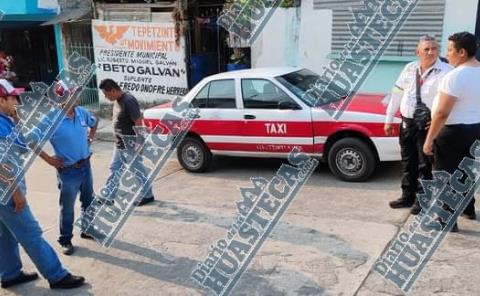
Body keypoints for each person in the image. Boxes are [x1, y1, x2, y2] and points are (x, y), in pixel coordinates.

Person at [0, 79, 85, 289]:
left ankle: (10, 274)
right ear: (1, 100)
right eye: (13, 98)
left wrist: (17, 119)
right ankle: (57, 276)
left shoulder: (6, 119)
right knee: (31, 233)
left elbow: (21, 147)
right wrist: (15, 192)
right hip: (6, 191)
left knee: (5, 234)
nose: (17, 102)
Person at [385, 35, 452, 214]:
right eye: (426, 49)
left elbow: (452, 100)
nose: (431, 52)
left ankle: (422, 200)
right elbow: (397, 93)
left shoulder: (446, 71)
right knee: (408, 161)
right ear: (418, 52)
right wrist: (389, 118)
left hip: (428, 126)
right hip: (407, 122)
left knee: (425, 164)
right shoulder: (409, 68)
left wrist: (441, 121)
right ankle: (407, 196)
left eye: (434, 48)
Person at [424, 31, 480, 231]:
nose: (447, 55)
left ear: (462, 52)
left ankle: (446, 220)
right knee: (466, 173)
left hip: (453, 133)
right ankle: (468, 209)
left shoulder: (455, 76)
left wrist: (429, 139)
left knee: (445, 177)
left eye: (449, 50)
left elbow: (441, 112)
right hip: (475, 130)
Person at [38, 81, 98, 255]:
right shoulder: (51, 119)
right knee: (68, 208)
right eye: (72, 94)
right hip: (68, 172)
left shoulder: (81, 112)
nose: (77, 97)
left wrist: (90, 140)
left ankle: (87, 229)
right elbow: (31, 140)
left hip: (86, 166)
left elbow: (94, 122)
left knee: (88, 201)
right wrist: (49, 159)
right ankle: (65, 239)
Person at [98, 79, 155, 206]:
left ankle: (148, 195)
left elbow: (138, 122)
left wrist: (139, 143)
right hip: (119, 143)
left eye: (107, 94)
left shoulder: (129, 101)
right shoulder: (118, 101)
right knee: (114, 168)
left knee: (137, 170)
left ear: (114, 90)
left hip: (130, 143)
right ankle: (109, 196)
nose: (106, 98)